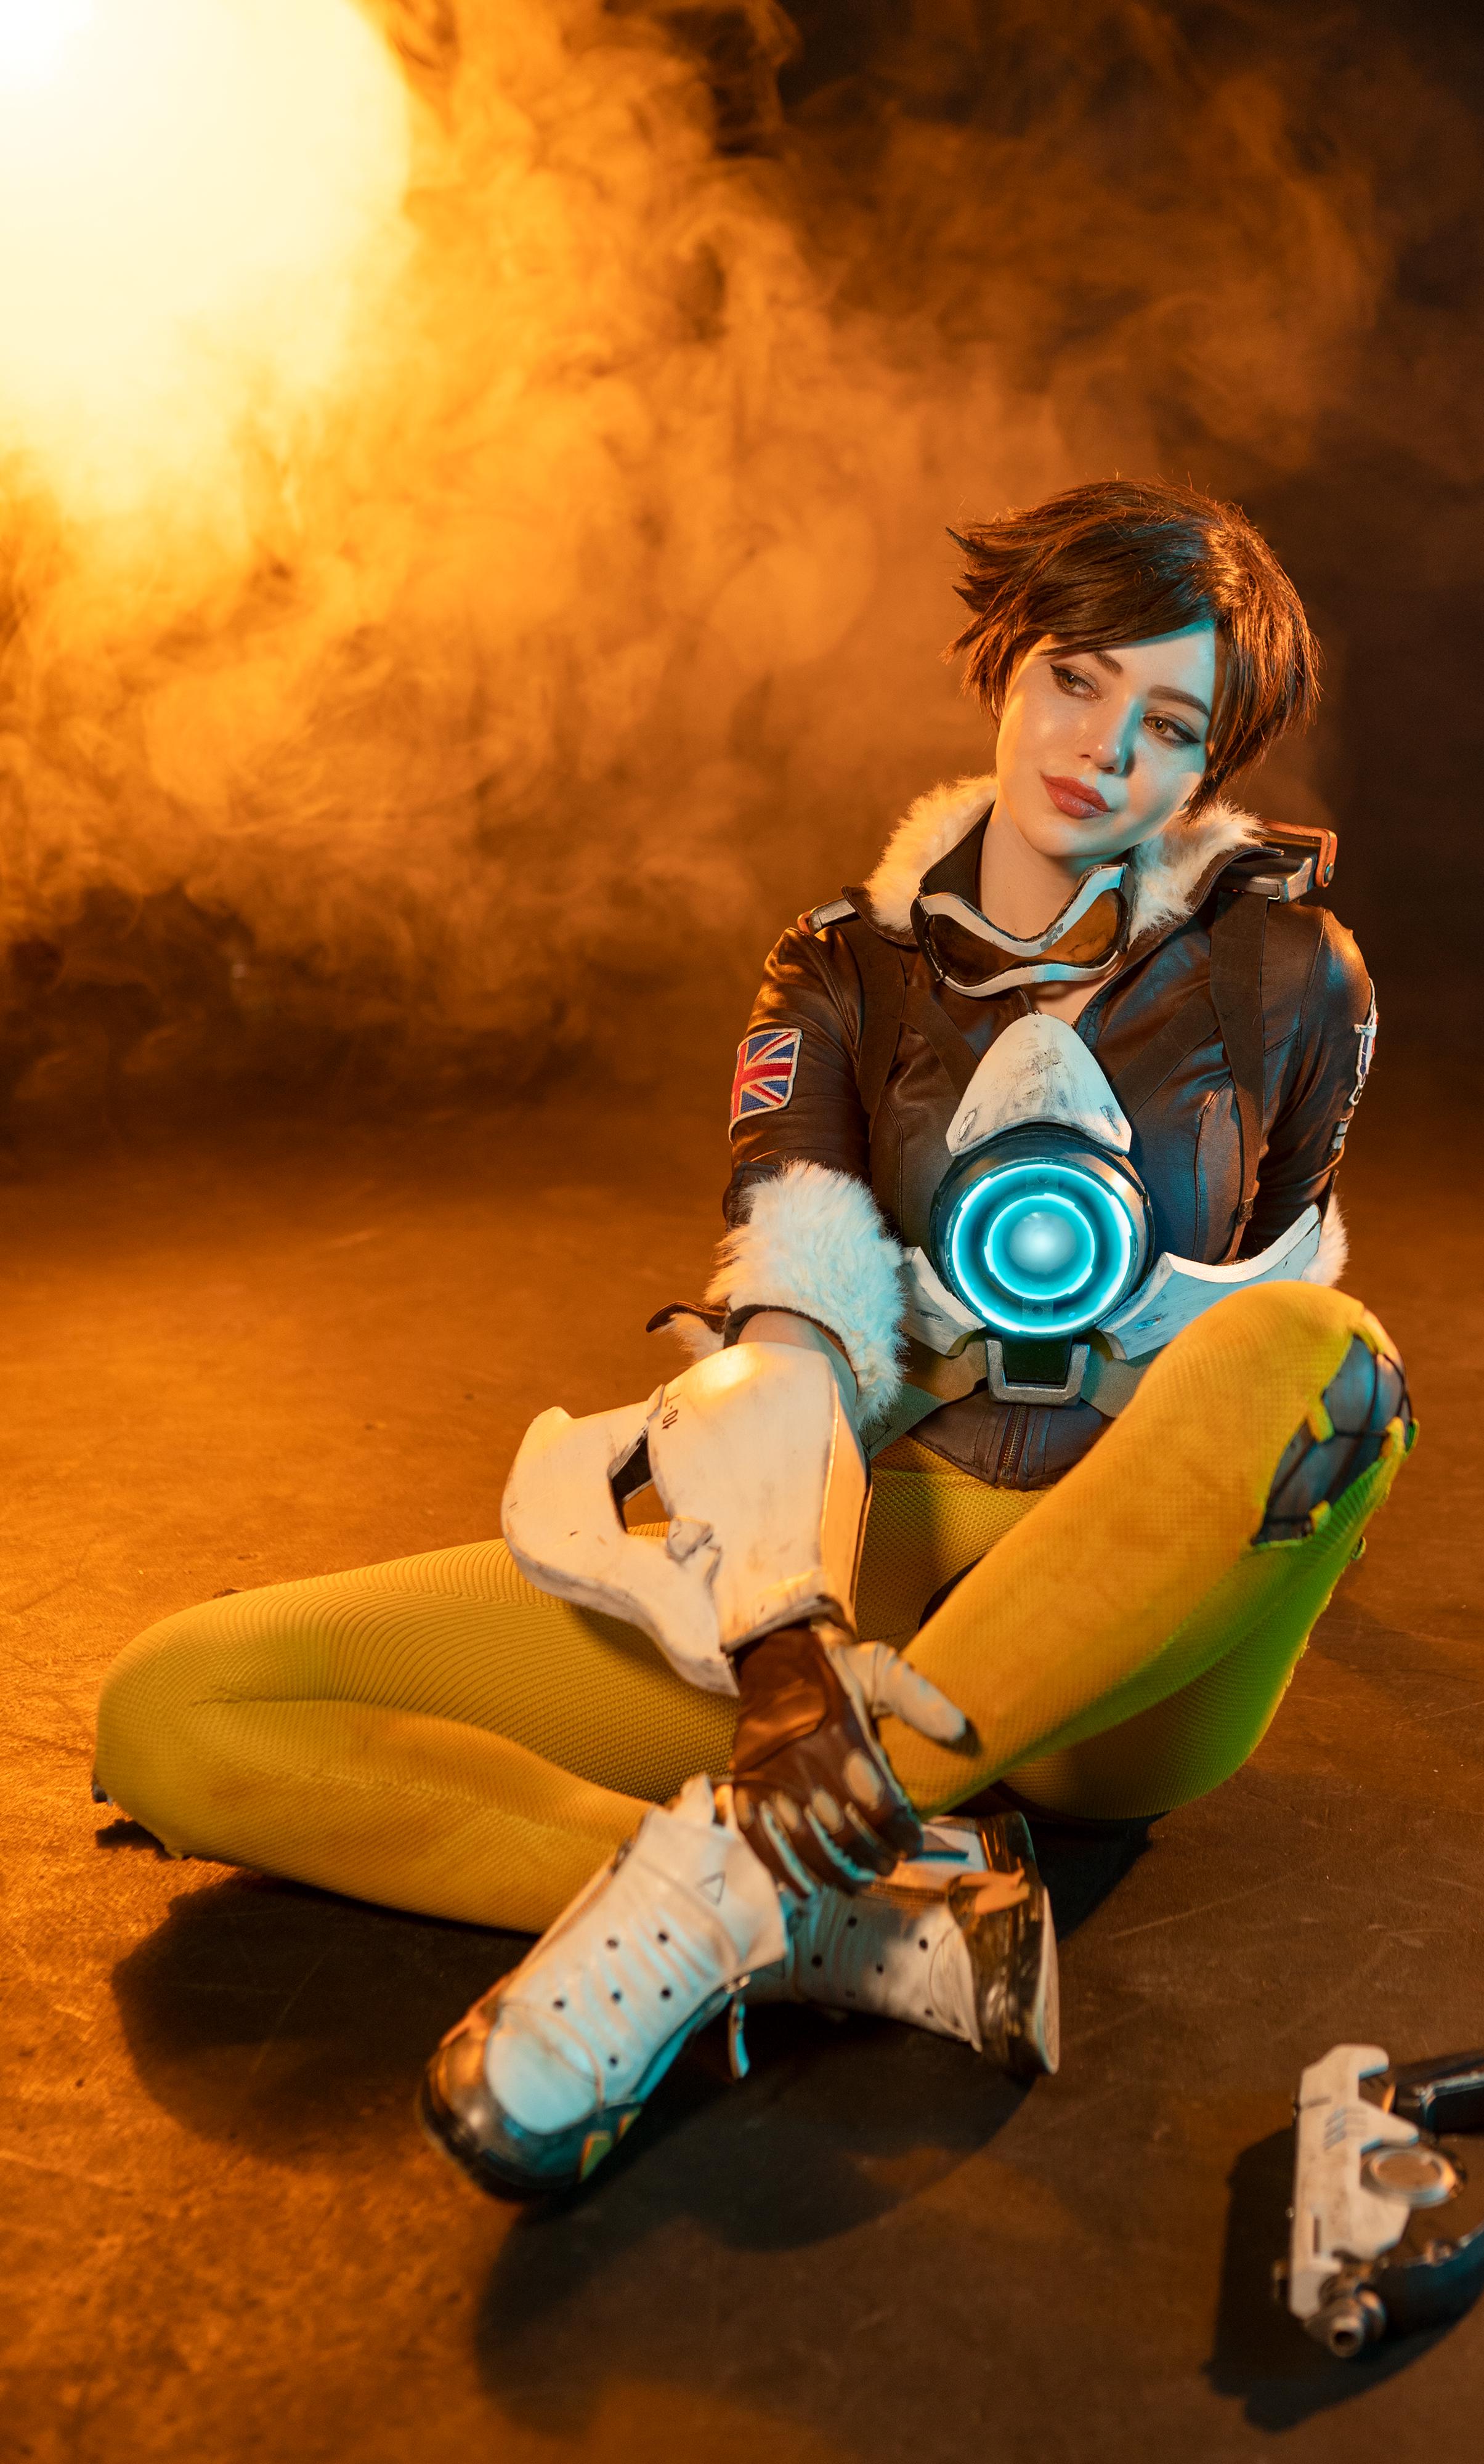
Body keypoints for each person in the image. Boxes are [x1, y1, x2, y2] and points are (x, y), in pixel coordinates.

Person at [94, 479, 1411, 2200]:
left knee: (1318, 1350)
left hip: (1122, 1656)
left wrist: (1245, 1498)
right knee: (179, 1704)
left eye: (1168, 726)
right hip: (876, 1551)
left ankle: (729, 1884)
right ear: (1008, 660)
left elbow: (1276, 1319)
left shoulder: (1294, 975)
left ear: (1211, 764)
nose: (1103, 751)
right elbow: (795, 1316)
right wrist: (784, 1647)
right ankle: (853, 1919)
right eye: (1078, 679)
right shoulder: (841, 972)